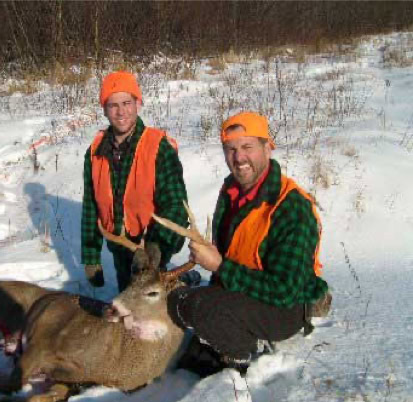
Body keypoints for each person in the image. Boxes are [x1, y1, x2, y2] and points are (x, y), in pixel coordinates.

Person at [167, 111, 330, 377]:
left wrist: (220, 266)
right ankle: (215, 337)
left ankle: (239, 356)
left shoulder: (291, 207)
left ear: (267, 148)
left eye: (247, 147)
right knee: (178, 299)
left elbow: (285, 292)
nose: (239, 158)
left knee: (197, 306)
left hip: (284, 308)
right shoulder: (231, 190)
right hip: (242, 292)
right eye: (230, 149)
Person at [81, 71, 189, 293]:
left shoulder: (158, 147)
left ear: (137, 104)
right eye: (113, 105)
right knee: (127, 298)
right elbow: (91, 206)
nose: (121, 112)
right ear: (104, 109)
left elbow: (176, 205)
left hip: (151, 249)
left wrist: (156, 247)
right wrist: (91, 256)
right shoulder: (95, 152)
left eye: (126, 103)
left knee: (152, 302)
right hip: (119, 246)